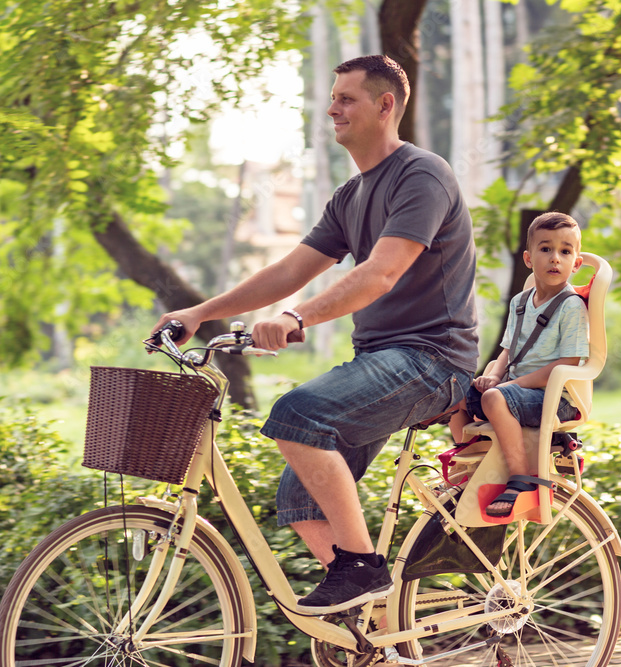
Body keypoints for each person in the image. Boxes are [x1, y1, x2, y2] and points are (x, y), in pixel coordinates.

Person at [152, 55, 478, 614]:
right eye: (333, 98)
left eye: (346, 98)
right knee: (299, 499)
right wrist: (199, 313)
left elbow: (382, 271)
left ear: (385, 105)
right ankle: (365, 628)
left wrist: (298, 318)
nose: (332, 108)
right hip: (381, 360)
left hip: (433, 360)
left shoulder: (422, 174)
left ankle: (364, 570)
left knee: (298, 414)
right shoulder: (350, 196)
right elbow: (288, 271)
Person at [448, 212, 589, 517]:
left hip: (555, 399)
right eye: (546, 249)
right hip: (514, 391)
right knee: (455, 390)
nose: (555, 258)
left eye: (565, 251)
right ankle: (465, 462)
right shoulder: (520, 302)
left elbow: (568, 364)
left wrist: (508, 386)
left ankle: (521, 478)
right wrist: (495, 375)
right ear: (528, 258)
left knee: (495, 397)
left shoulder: (571, 306)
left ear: (576, 263)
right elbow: (508, 352)